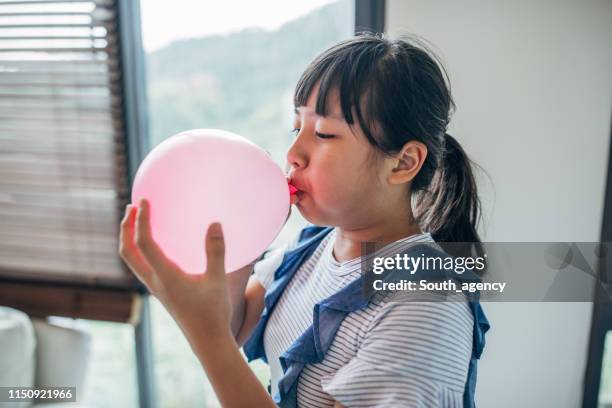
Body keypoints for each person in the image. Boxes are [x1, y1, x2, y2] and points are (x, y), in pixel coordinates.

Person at [119, 32, 490, 408]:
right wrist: (238, 238)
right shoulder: (309, 247)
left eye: (325, 133)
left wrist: (206, 336)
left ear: (403, 162)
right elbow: (234, 324)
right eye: (297, 127)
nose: (294, 153)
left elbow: (218, 338)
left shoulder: (426, 304)